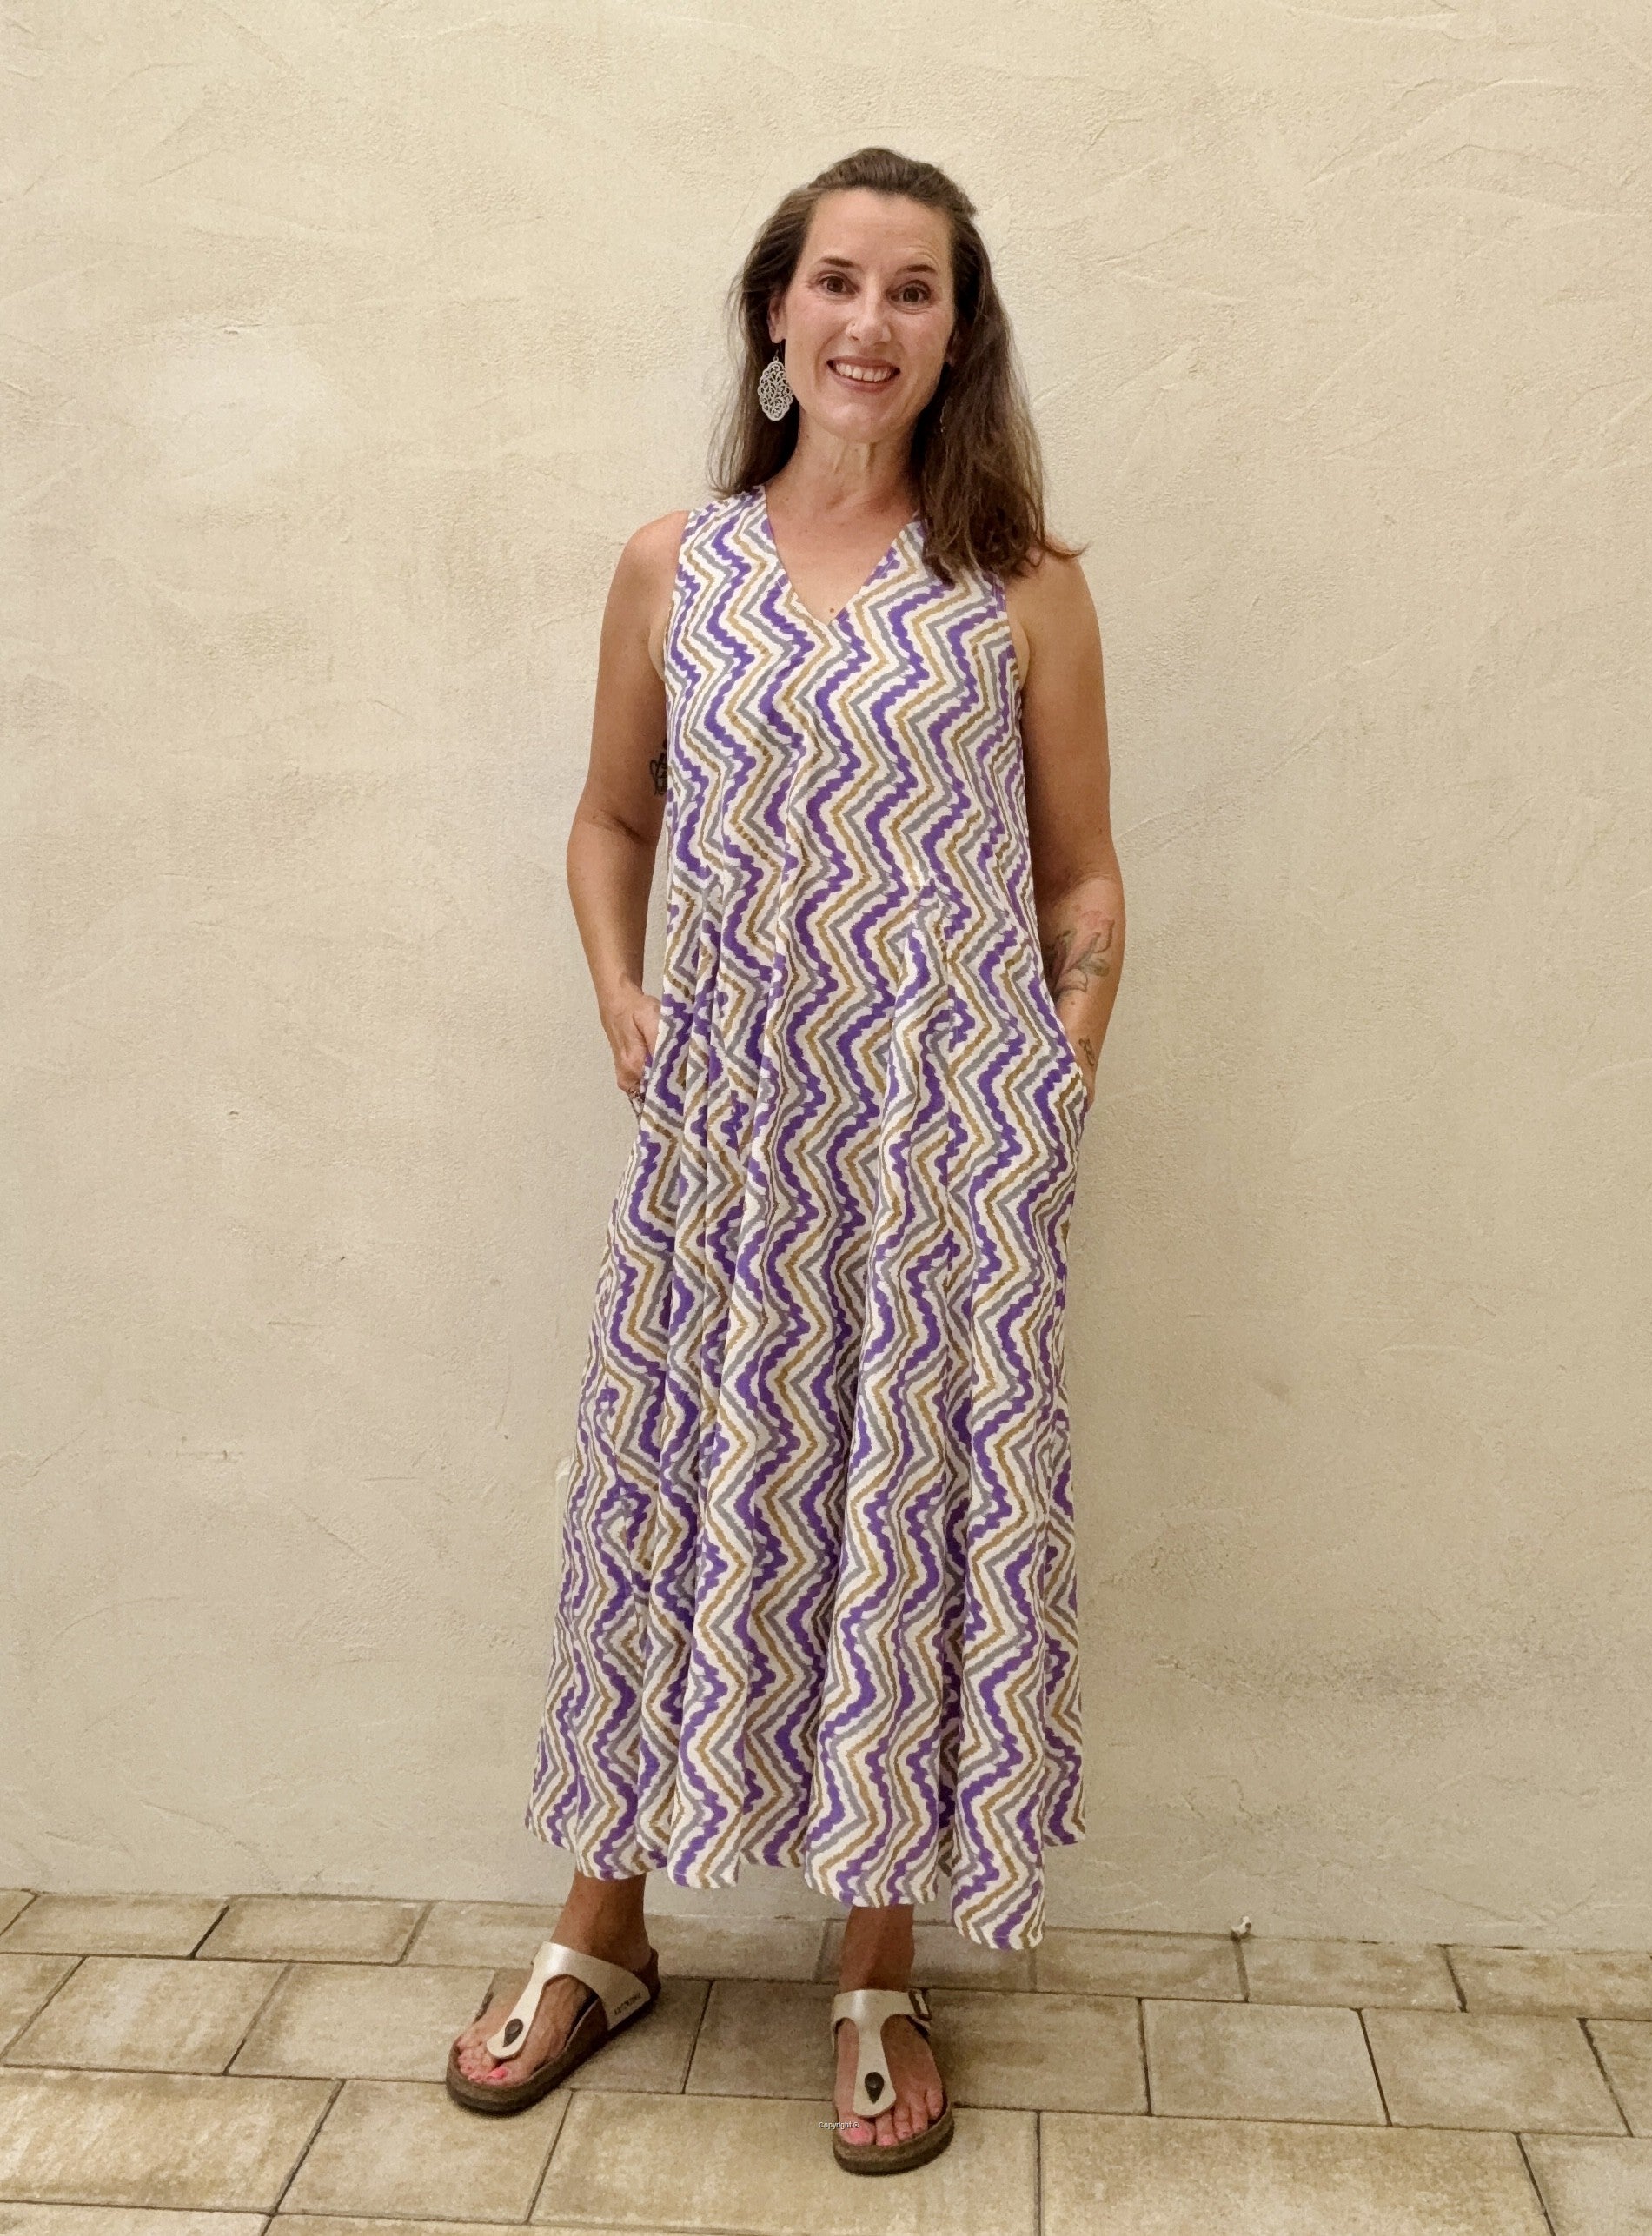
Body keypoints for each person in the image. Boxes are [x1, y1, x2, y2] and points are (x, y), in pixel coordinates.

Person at [447, 144, 1125, 2174]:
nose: (866, 322)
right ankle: (605, 1929)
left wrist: (1043, 1095)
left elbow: (1082, 882)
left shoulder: (1017, 587)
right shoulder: (675, 562)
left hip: (939, 1150)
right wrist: (617, 996)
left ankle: (871, 1962)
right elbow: (605, 820)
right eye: (835, 281)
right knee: (670, 1489)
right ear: (771, 313)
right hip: (729, 1138)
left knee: (899, 1512)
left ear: (953, 332)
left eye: (912, 291)